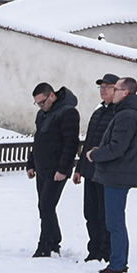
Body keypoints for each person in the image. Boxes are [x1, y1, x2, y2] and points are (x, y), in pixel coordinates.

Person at [83, 75, 137, 273]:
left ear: (125, 92)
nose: (112, 92)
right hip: (117, 174)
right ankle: (117, 261)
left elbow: (118, 148)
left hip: (117, 175)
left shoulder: (127, 115)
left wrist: (95, 154)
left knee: (114, 222)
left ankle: (118, 263)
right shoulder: (128, 113)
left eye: (116, 89)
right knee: (114, 220)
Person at [26, 81, 80, 257]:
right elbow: (38, 141)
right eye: (38, 103)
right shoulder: (42, 115)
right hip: (42, 167)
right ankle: (53, 241)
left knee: (46, 206)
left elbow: (71, 144)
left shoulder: (68, 112)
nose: (41, 106)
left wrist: (63, 169)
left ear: (51, 95)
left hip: (57, 170)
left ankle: (46, 244)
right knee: (44, 206)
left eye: (43, 102)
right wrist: (31, 163)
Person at [76, 76, 121, 262]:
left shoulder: (119, 113)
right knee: (90, 213)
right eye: (101, 87)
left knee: (104, 215)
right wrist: (80, 168)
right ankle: (93, 249)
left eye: (107, 87)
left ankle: (105, 250)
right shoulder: (99, 112)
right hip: (90, 171)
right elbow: (89, 142)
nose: (103, 91)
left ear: (117, 90)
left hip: (107, 172)